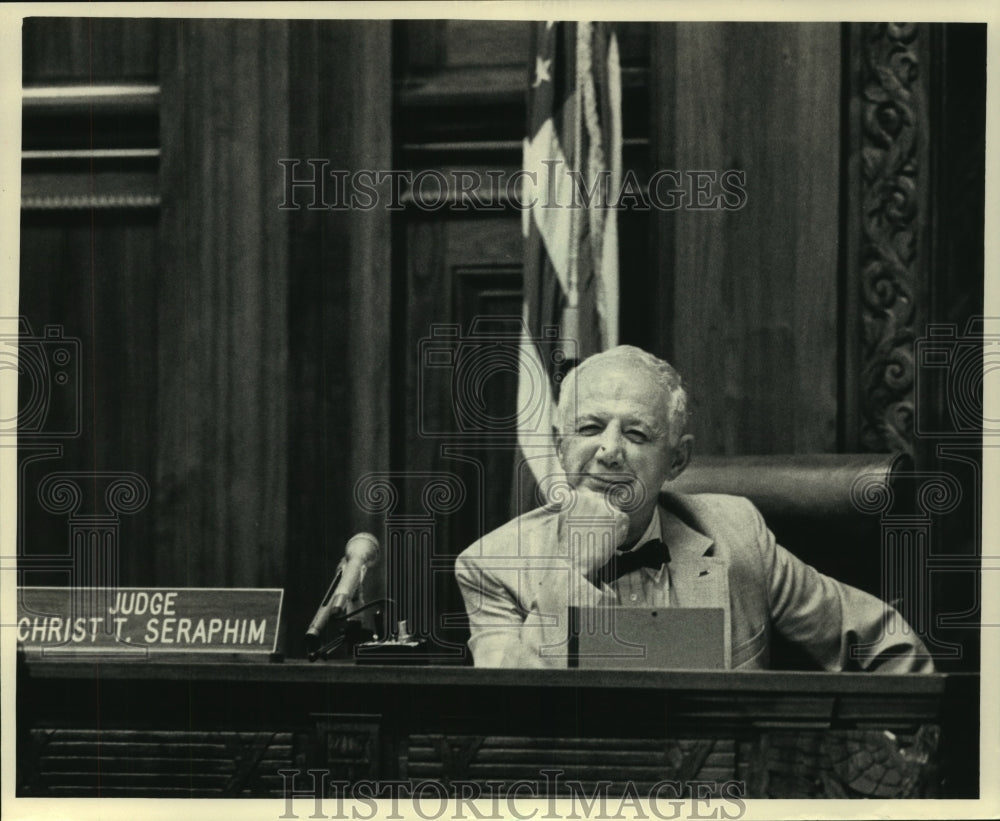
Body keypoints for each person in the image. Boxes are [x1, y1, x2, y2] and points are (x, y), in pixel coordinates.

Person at [455, 345, 934, 671]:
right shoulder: (491, 567)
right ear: (560, 448)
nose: (609, 450)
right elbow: (514, 712)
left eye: (637, 434)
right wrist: (574, 565)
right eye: (588, 429)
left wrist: (884, 769)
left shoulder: (737, 535)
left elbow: (887, 641)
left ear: (677, 460)